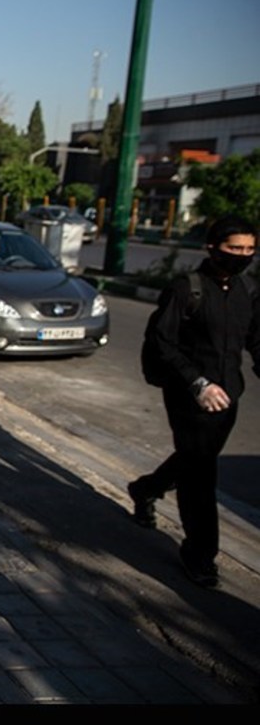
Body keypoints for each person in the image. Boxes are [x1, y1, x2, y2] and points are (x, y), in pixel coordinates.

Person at [128, 215, 258, 588]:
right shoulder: (187, 288)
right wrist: (197, 383)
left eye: (250, 249)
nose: (243, 255)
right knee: (201, 473)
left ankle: (146, 489)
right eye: (236, 248)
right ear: (213, 247)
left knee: (194, 461)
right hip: (188, 395)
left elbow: (257, 342)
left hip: (229, 396)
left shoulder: (249, 292)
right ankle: (200, 554)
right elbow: (162, 343)